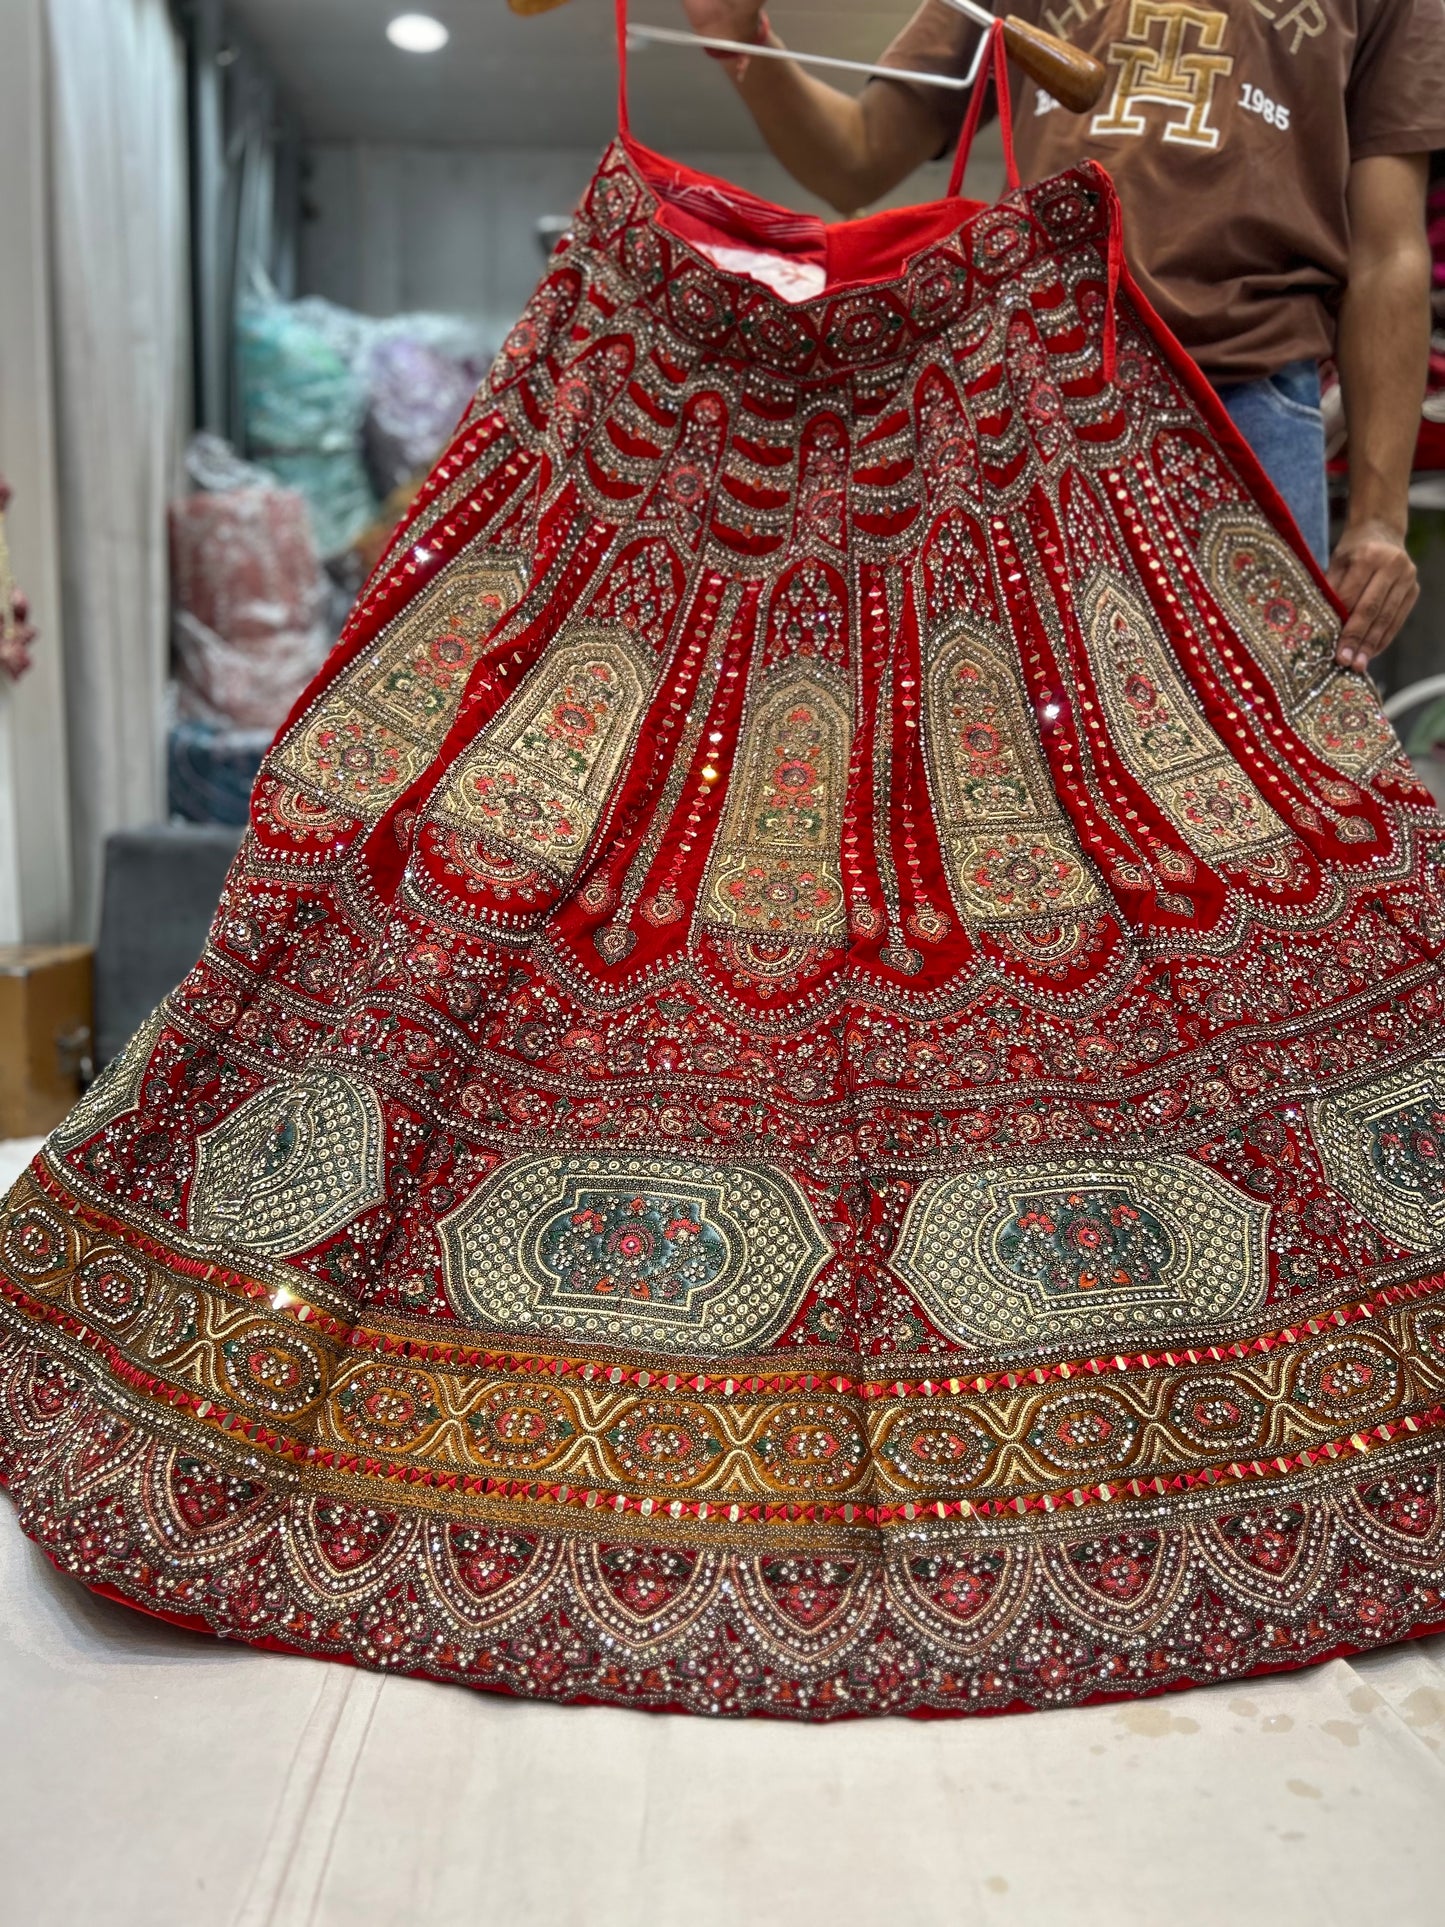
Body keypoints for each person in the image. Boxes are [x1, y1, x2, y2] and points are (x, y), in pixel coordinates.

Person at [681, 0, 1445, 671]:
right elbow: (855, 156)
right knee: (1026, 739)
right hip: (1040, 401)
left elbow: (1389, 251)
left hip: (1248, 399)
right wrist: (744, 42)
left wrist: (1379, 517)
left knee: (1264, 741)